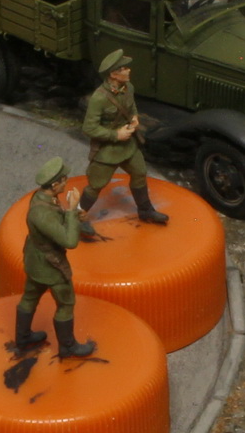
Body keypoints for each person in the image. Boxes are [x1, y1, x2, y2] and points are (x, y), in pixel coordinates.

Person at [79, 50, 168, 230]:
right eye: (124, 68)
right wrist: (115, 135)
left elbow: (131, 107)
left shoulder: (129, 88)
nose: (128, 70)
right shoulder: (99, 98)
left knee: (140, 172)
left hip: (128, 146)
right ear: (113, 74)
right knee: (96, 184)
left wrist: (134, 118)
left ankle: (146, 210)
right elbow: (89, 128)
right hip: (107, 150)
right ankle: (76, 217)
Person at [18, 157, 96, 358]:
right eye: (63, 180)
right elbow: (70, 241)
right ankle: (67, 347)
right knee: (66, 303)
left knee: (30, 296)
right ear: (54, 185)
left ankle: (22, 337)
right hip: (50, 265)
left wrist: (75, 216)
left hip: (35, 260)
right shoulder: (41, 213)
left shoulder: (42, 198)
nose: (65, 182)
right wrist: (71, 211)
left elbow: (55, 220)